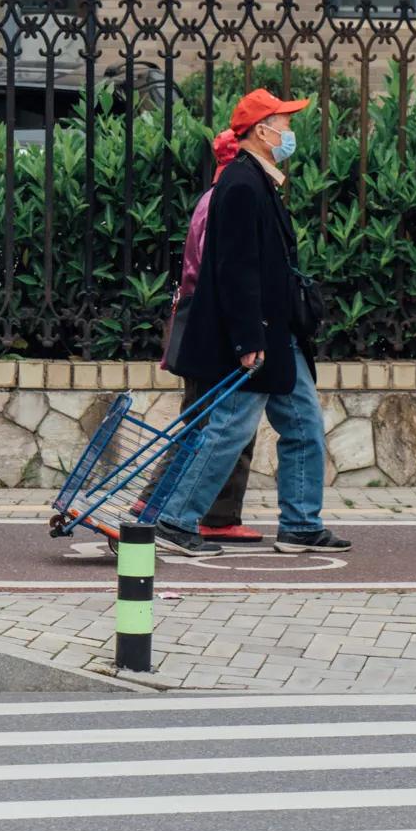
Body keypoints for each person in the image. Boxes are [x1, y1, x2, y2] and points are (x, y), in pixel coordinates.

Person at [154, 87, 350, 558]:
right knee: (231, 429)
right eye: (284, 125)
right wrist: (247, 337)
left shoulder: (257, 181)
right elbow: (236, 270)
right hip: (257, 333)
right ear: (262, 132)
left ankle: (301, 524)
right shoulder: (241, 185)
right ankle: (175, 519)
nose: (289, 133)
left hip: (279, 332)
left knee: (303, 424)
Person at [162, 129, 263, 543]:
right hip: (211, 319)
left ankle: (206, 511)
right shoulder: (226, 198)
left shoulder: (215, 196)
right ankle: (201, 511)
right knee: (215, 420)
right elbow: (221, 269)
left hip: (201, 315)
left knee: (209, 418)